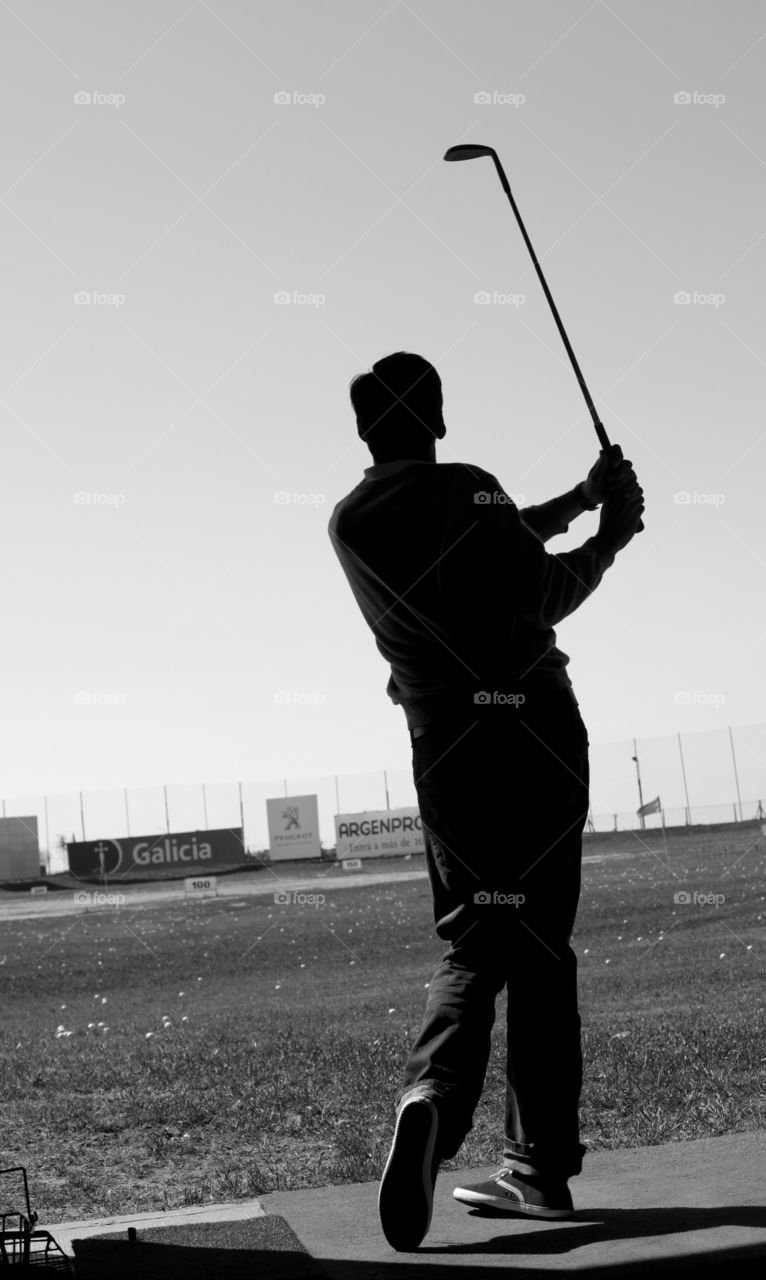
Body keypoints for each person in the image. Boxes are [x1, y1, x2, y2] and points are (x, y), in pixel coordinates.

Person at [327, 351, 644, 1252]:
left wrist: (582, 501)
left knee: (477, 937)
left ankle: (433, 1098)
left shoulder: (349, 523)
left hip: (451, 750)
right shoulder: (470, 489)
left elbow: (494, 545)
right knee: (539, 946)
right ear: (438, 419)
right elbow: (535, 585)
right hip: (539, 732)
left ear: (363, 432)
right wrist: (612, 534)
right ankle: (539, 1170)